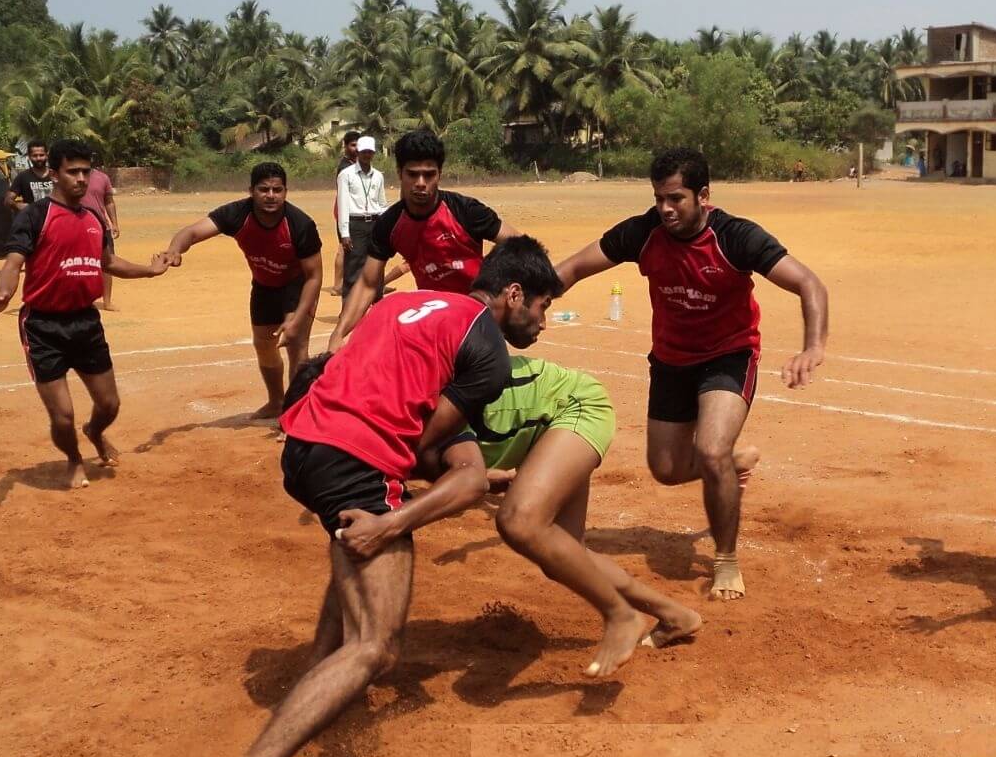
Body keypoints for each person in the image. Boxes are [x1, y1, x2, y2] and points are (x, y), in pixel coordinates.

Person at [221, 237, 560, 757]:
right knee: (377, 646)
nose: (543, 322)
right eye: (542, 306)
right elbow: (426, 447)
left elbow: (383, 392)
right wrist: (399, 518)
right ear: (514, 294)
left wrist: (472, 469)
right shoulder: (489, 350)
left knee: (352, 548)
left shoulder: (410, 303)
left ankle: (317, 680)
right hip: (356, 460)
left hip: (305, 445)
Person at [553, 147, 829, 601]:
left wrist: (813, 346)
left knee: (712, 447)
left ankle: (725, 560)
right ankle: (729, 466)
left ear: (703, 195)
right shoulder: (643, 232)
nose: (665, 209)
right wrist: (532, 303)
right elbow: (575, 267)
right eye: (659, 198)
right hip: (671, 360)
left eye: (676, 199)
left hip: (728, 355)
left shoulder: (736, 236)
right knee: (665, 469)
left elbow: (808, 283)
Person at [432, 355, 704, 677]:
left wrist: (392, 521)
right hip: (544, 423)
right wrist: (484, 476)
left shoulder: (419, 399)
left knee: (523, 523)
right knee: (564, 552)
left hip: (572, 408)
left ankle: (623, 616)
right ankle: (675, 615)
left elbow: (457, 482)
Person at [0, 140, 170, 489]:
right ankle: (73, 459)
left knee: (109, 404)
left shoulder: (94, 217)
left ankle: (95, 433)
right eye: (73, 171)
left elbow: (109, 263)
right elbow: (13, 262)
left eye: (86, 171)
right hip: (43, 326)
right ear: (54, 174)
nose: (82, 179)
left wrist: (150, 270)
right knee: (63, 416)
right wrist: (4, 294)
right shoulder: (35, 215)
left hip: (85, 322)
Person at [158, 163, 323, 419]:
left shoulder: (300, 224)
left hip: (297, 287)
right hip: (264, 285)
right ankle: (276, 401)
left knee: (297, 347)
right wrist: (174, 249)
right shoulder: (237, 213)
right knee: (264, 345)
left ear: (286, 192)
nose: (271, 195)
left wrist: (298, 317)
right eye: (264, 189)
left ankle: (296, 414)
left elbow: (314, 276)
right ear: (251, 191)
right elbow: (191, 232)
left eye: (277, 190)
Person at [331, 129, 520, 348]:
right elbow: (367, 283)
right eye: (413, 174)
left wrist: (495, 278)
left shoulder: (466, 211)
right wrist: (339, 332)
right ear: (400, 173)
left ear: (439, 173)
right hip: (434, 322)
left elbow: (518, 243)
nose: (421, 183)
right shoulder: (389, 225)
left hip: (478, 319)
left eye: (429, 174)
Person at [336, 135, 390, 298]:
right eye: (364, 151)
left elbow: (382, 203)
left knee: (377, 268)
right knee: (353, 268)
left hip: (374, 223)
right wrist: (344, 233)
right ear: (358, 152)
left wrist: (386, 224)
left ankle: (376, 308)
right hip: (356, 224)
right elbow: (343, 204)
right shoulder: (346, 175)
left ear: (373, 153)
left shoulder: (378, 176)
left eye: (370, 152)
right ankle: (347, 311)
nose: (367, 155)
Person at [82, 162, 120, 311]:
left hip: (101, 227)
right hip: (78, 227)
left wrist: (114, 223)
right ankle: (84, 300)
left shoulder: (102, 178)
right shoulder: (70, 177)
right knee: (81, 265)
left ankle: (107, 301)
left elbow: (109, 202)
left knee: (107, 264)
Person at [330, 129, 360, 296]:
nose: (356, 148)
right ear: (346, 146)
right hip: (345, 212)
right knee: (343, 247)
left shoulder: (355, 164)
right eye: (352, 145)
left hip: (352, 211)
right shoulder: (345, 167)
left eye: (358, 145)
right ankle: (337, 285)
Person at [5, 139, 55, 210]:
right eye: (35, 155)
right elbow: (8, 200)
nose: (38, 158)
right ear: (29, 156)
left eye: (41, 155)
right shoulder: (23, 177)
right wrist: (17, 205)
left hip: (54, 218)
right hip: (33, 219)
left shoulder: (56, 174)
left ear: (47, 155)